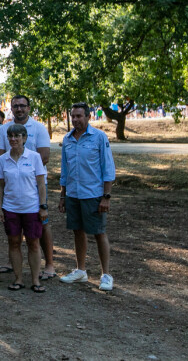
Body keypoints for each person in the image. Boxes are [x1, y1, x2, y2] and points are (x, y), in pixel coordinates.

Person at [0, 95, 56, 279]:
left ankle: (49, 265)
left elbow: (44, 157)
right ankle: (13, 263)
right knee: (13, 231)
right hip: (11, 184)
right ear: (11, 108)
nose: (19, 109)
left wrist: (25, 168)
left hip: (35, 185)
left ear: (29, 107)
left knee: (42, 225)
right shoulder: (3, 129)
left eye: (22, 106)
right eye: (15, 106)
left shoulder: (39, 127)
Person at [59, 102, 116, 291]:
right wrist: (63, 196)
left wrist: (106, 196)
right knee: (77, 231)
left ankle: (106, 274)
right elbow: (65, 170)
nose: (75, 119)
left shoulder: (99, 137)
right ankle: (80, 270)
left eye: (79, 116)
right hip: (73, 194)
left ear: (88, 117)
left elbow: (108, 168)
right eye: (73, 116)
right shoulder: (67, 139)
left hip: (93, 194)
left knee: (99, 232)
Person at [0, 124, 48, 293]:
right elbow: (0, 185)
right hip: (10, 207)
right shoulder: (3, 159)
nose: (13, 139)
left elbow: (41, 184)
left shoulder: (34, 157)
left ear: (24, 138)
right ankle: (18, 279)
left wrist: (43, 206)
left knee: (34, 243)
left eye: (17, 136)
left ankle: (35, 280)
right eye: (10, 136)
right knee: (14, 242)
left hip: (31, 208)